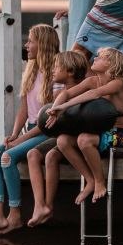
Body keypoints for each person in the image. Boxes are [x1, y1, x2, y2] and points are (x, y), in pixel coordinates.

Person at [0, 24, 59, 238]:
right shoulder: (32, 71)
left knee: (7, 158)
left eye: (30, 41)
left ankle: (15, 214)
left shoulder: (56, 73)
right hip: (30, 131)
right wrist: (15, 134)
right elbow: (24, 110)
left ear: (42, 44)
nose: (26, 45)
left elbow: (46, 122)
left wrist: (20, 141)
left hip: (46, 133)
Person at [46, 47, 123, 205]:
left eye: (100, 58)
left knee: (84, 140)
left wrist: (65, 107)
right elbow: (65, 94)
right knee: (63, 141)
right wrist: (55, 109)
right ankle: (90, 180)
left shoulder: (118, 83)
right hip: (102, 133)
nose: (95, 58)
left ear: (111, 64)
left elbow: (95, 94)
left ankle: (99, 181)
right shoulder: (92, 81)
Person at [25, 50, 89, 227]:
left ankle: (49, 206)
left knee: (51, 156)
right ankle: (41, 206)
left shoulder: (83, 90)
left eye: (56, 67)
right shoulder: (61, 93)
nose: (52, 70)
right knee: (32, 154)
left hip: (74, 138)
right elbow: (48, 123)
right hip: (62, 136)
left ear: (69, 71)